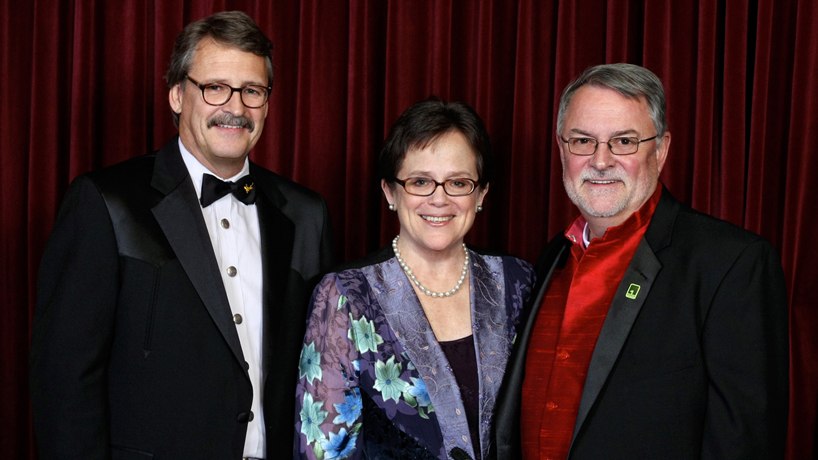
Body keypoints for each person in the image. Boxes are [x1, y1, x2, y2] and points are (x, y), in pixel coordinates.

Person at [30, 11, 333, 460]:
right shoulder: (105, 202)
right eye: (215, 88)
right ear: (177, 95)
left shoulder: (307, 214)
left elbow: (322, 372)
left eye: (252, 91)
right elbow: (65, 382)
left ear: (267, 103)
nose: (236, 108)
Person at [491, 63, 789, 459]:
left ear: (661, 150)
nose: (600, 161)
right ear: (562, 149)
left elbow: (744, 444)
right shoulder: (551, 259)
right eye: (582, 140)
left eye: (624, 141)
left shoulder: (731, 263)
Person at [294, 99, 536, 460]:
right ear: (391, 192)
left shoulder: (517, 282)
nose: (439, 199)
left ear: (481, 193)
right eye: (420, 181)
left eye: (458, 182)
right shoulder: (344, 296)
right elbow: (324, 450)